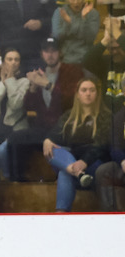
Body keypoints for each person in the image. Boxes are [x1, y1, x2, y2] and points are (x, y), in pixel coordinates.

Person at [43, 78, 112, 213]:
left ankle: (61, 214)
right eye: (84, 90)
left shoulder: (106, 116)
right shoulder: (69, 116)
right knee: (53, 148)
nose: (88, 93)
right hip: (72, 161)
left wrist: (85, 161)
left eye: (92, 90)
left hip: (94, 165)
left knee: (64, 173)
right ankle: (77, 173)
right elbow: (55, 135)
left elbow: (101, 145)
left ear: (97, 94)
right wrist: (47, 140)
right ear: (78, 94)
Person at [0, 48, 31, 182]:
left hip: (14, 130)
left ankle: (8, 179)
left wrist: (10, 80)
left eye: (16, 60)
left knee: (2, 151)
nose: (13, 62)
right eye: (10, 59)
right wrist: (3, 83)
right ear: (3, 62)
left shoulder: (25, 82)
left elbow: (16, 104)